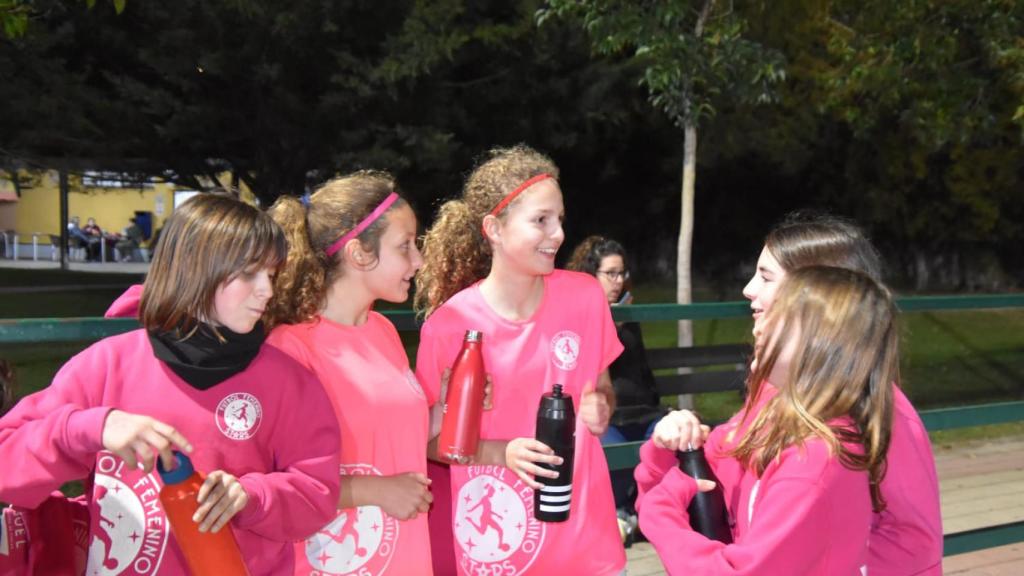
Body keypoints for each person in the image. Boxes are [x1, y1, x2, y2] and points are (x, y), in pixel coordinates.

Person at [0, 193, 342, 574]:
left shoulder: (290, 383)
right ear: (195, 268)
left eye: (271, 275)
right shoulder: (106, 366)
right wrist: (91, 428)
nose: (266, 289)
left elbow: (318, 495)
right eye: (249, 273)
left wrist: (251, 497)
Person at [415, 145, 626, 575]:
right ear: (494, 228)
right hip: (501, 549)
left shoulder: (585, 296)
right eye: (541, 221)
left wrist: (603, 403)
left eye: (560, 219)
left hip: (589, 546)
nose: (558, 234)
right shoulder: (450, 325)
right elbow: (427, 442)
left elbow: (601, 388)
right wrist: (501, 452)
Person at [636, 266, 897, 574]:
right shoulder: (772, 423)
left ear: (818, 346)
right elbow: (688, 482)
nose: (758, 328)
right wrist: (667, 449)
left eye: (779, 320)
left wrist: (659, 515)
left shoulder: (813, 461)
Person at [741, 212, 942, 576]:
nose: (748, 289)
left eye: (766, 277)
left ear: (821, 291)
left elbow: (915, 540)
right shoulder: (777, 387)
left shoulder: (882, 410)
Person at [263, 171, 436, 575]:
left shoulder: (384, 331)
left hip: (407, 558)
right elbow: (275, 482)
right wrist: (376, 491)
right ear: (358, 254)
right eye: (404, 246)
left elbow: (396, 437)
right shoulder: (292, 347)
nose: (419, 260)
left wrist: (450, 402)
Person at [566, 236, 665, 538]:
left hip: (645, 414)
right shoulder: (577, 316)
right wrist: (606, 330)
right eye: (610, 273)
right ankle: (622, 516)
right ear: (589, 274)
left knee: (674, 444)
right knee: (606, 448)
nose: (618, 281)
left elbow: (642, 372)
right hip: (612, 417)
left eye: (621, 273)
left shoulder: (628, 315)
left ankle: (647, 515)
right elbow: (581, 374)